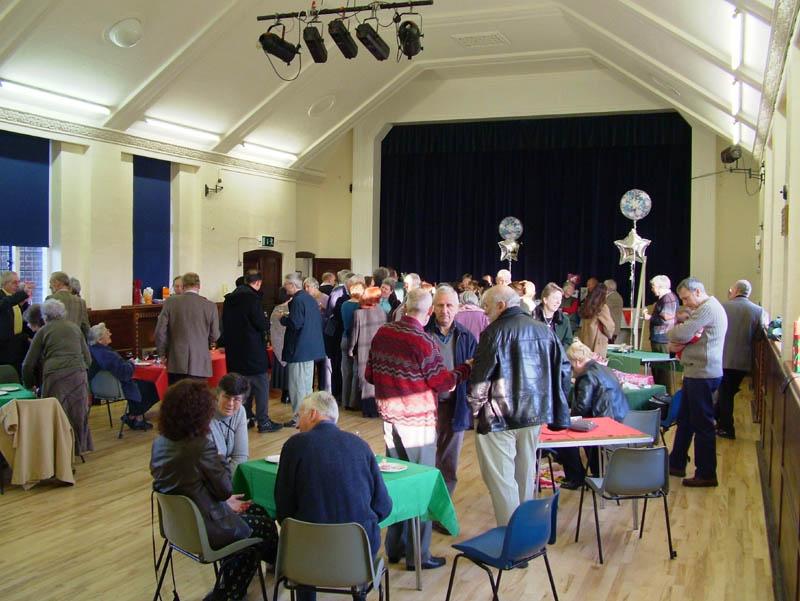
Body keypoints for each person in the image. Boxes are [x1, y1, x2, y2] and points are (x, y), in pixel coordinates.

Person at [366, 287, 472, 570]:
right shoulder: (424, 341)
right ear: (429, 312)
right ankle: (418, 556)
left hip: (390, 419)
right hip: (417, 423)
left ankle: (395, 547)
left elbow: (369, 374)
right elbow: (443, 383)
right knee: (421, 486)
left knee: (398, 484)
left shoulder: (383, 333)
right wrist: (466, 368)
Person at [150, 380, 278, 601]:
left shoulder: (160, 442)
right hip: (204, 526)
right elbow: (225, 489)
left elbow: (189, 486)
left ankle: (233, 584)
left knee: (256, 510)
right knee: (263, 527)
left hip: (178, 524)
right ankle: (231, 591)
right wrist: (220, 459)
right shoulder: (200, 446)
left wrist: (223, 501)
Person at [468, 285, 571, 526]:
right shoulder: (544, 331)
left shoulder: (493, 332)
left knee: (501, 479)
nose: (484, 312)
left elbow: (480, 379)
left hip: (498, 416)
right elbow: (564, 371)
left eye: (486, 307)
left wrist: (475, 409)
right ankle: (525, 532)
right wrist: (553, 403)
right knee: (525, 474)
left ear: (501, 305)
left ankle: (511, 535)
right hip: (535, 413)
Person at [275, 391, 392, 601]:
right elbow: (383, 506)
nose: (297, 425)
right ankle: (359, 593)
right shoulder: (361, 446)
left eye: (300, 415)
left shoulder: (294, 446)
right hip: (357, 555)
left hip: (307, 556)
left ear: (312, 414)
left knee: (300, 535)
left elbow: (284, 509)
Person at [667, 277, 728, 487]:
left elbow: (680, 333)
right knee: (685, 420)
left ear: (698, 292)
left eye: (686, 298)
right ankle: (676, 463)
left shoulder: (707, 308)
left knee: (703, 425)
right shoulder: (705, 308)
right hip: (697, 372)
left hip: (703, 374)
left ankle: (706, 473)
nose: (685, 303)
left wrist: (673, 333)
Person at [424, 285, 477, 504]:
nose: (444, 310)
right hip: (427, 408)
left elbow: (474, 373)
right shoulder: (422, 334)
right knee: (425, 461)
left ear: (457, 307)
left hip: (456, 407)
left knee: (449, 463)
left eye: (449, 305)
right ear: (432, 307)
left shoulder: (466, 336)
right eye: (440, 305)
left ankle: (441, 511)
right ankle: (423, 510)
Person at [22, 298, 93, 455]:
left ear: (45, 316)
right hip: (78, 375)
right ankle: (77, 448)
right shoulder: (75, 328)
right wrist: (81, 370)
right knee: (77, 413)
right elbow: (88, 358)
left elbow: (28, 364)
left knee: (55, 414)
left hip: (55, 377)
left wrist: (29, 385)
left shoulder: (43, 331)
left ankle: (56, 450)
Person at [558, 340, 629, 489]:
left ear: (577, 362)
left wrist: (566, 415)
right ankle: (596, 473)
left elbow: (581, 408)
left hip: (602, 424)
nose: (571, 370)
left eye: (571, 366)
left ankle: (575, 478)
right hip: (619, 419)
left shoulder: (586, 376)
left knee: (563, 437)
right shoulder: (605, 369)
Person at [221, 271, 282, 433]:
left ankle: (245, 418)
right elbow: (261, 324)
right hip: (252, 351)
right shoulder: (252, 299)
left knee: (241, 387)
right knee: (261, 386)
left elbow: (224, 324)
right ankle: (264, 421)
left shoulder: (229, 299)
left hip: (234, 351)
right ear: (258, 283)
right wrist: (268, 321)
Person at [716, 279, 764, 439]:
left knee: (725, 393)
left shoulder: (723, 307)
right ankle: (718, 420)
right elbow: (759, 336)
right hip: (743, 361)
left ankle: (726, 428)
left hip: (722, 358)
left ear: (735, 291)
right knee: (727, 391)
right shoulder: (758, 310)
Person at [155, 272, 220, 384]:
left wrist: (162, 354)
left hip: (176, 361)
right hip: (200, 363)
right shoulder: (210, 306)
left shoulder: (170, 302)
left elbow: (160, 332)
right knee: (198, 394)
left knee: (177, 394)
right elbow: (215, 335)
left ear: (183, 286)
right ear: (199, 286)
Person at [88, 322, 154, 430]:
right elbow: (125, 372)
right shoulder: (106, 354)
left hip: (98, 388)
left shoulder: (92, 351)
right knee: (151, 385)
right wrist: (131, 363)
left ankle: (134, 416)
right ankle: (136, 417)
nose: (110, 333)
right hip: (115, 388)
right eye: (107, 332)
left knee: (140, 384)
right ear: (99, 340)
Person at [280, 273, 325, 427]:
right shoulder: (310, 298)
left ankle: (299, 418)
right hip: (310, 348)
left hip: (299, 349)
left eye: (286, 284)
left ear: (292, 285)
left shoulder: (297, 300)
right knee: (306, 386)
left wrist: (283, 319)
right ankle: (309, 416)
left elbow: (296, 323)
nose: (285, 287)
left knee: (297, 386)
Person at [348, 286, 387, 417]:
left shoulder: (359, 313)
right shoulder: (382, 312)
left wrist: (350, 349)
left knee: (365, 379)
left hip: (364, 350)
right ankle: (378, 409)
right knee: (377, 378)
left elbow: (355, 334)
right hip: (380, 350)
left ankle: (368, 410)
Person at [209, 373, 252, 477]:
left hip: (224, 475)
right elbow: (209, 462)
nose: (230, 403)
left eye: (236, 399)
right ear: (218, 395)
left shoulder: (240, 411)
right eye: (226, 397)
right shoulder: (205, 414)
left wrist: (229, 482)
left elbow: (240, 456)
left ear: (243, 401)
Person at [643, 275, 679, 388]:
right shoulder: (665, 298)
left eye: (653, 286)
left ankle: (665, 394)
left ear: (660, 286)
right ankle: (660, 392)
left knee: (663, 371)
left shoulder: (667, 299)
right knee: (658, 370)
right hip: (660, 338)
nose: (652, 289)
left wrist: (649, 317)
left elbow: (666, 319)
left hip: (663, 339)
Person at [0, 270, 33, 378]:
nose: (17, 285)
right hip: (4, 347)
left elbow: (20, 320)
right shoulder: (4, 297)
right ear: (5, 283)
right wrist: (23, 293)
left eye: (18, 282)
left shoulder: (13, 298)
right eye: (14, 283)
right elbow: (6, 303)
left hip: (17, 343)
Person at [339, 275, 365, 409]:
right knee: (356, 372)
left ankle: (344, 401)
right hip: (356, 340)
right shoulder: (360, 306)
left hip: (344, 338)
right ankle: (353, 402)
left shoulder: (344, 304)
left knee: (346, 372)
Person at [304, 277, 331, 393]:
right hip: (311, 333)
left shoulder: (325, 298)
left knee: (322, 361)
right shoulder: (307, 299)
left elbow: (331, 315)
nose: (306, 289)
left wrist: (323, 309)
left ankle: (322, 388)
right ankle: (309, 388)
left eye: (308, 287)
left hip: (322, 332)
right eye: (305, 287)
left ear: (315, 287)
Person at [47, 271, 89, 337]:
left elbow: (47, 325)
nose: (49, 286)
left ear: (57, 283)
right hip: (75, 341)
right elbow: (86, 328)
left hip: (56, 340)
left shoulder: (50, 299)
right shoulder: (81, 302)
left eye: (50, 283)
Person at [578, 282, 615, 358]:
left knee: (586, 361)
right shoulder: (602, 307)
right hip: (597, 341)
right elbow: (609, 326)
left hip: (585, 339)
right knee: (597, 363)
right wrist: (610, 334)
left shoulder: (586, 305)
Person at [533, 282, 573, 348]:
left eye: (560, 299)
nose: (558, 302)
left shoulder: (564, 320)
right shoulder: (532, 318)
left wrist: (559, 351)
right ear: (545, 300)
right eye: (555, 298)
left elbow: (568, 341)